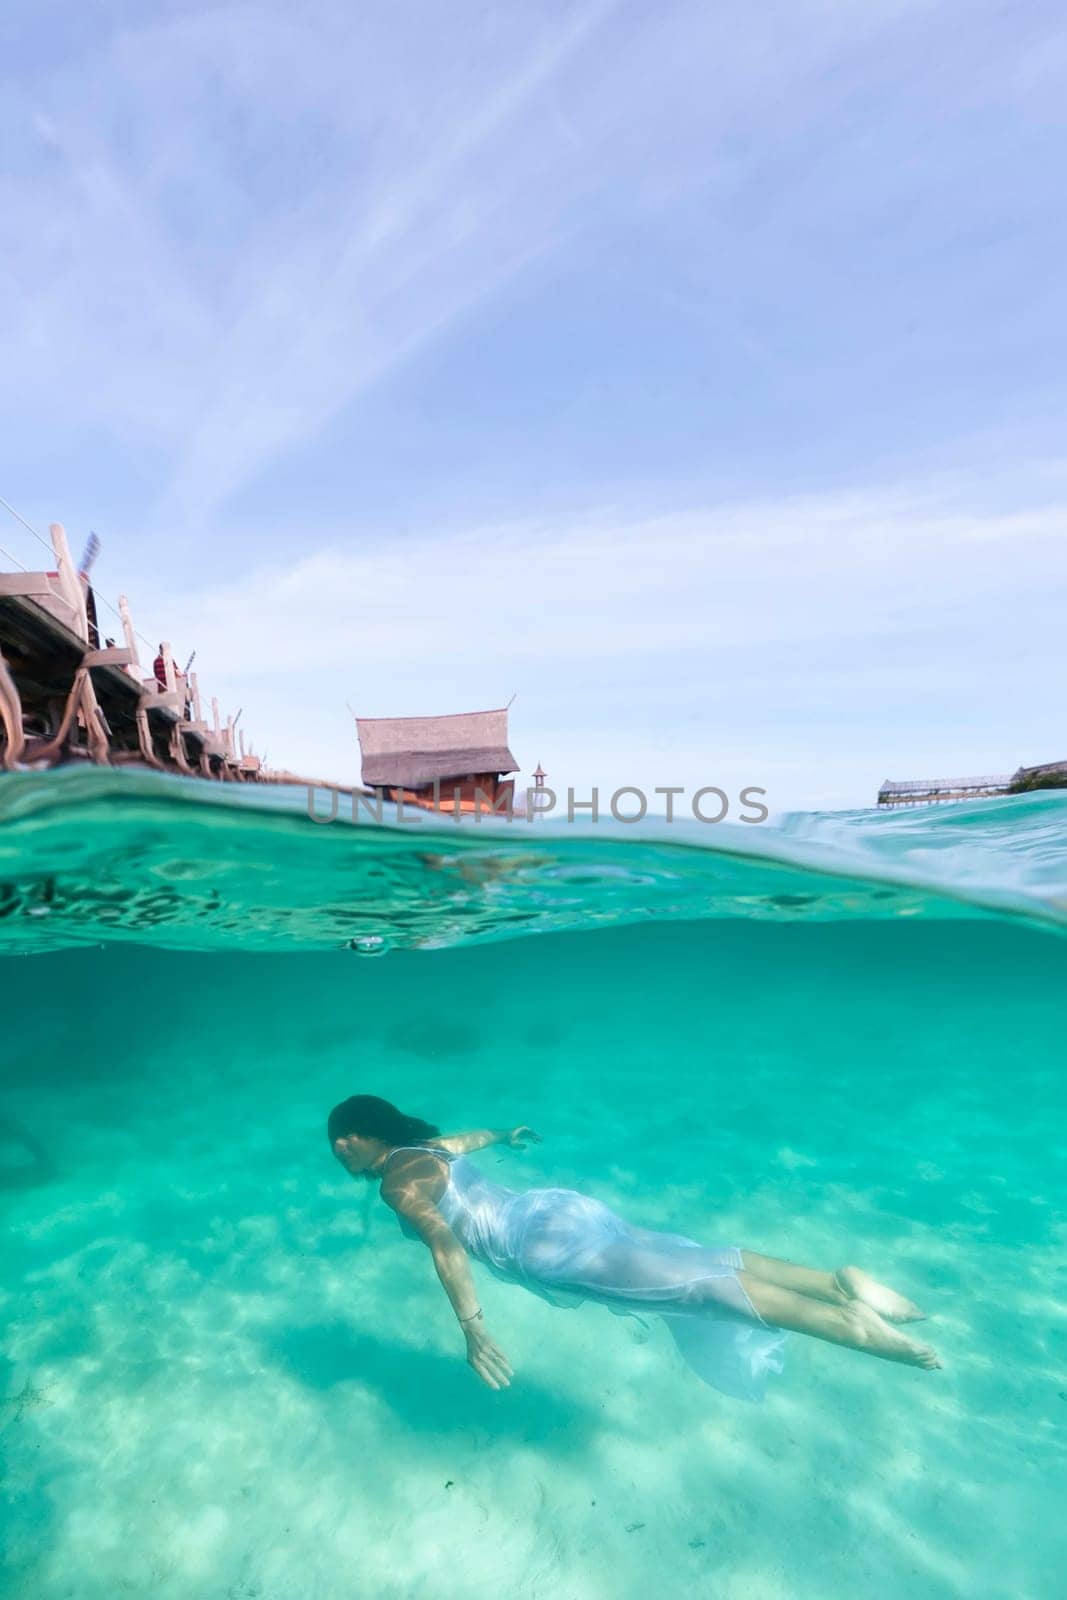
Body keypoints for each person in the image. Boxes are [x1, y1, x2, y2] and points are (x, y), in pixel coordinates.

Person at [327, 1095, 940, 1400]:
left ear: (369, 1133)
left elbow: (444, 1246)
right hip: (555, 1207)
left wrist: (473, 1326)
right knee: (697, 1255)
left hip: (541, 1246)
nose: (340, 1147)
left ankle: (848, 1325)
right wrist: (509, 1134)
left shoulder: (397, 1183)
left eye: (345, 1136)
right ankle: (833, 1283)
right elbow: (474, 1138)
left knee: (691, 1289)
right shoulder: (430, 1148)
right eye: (337, 1139)